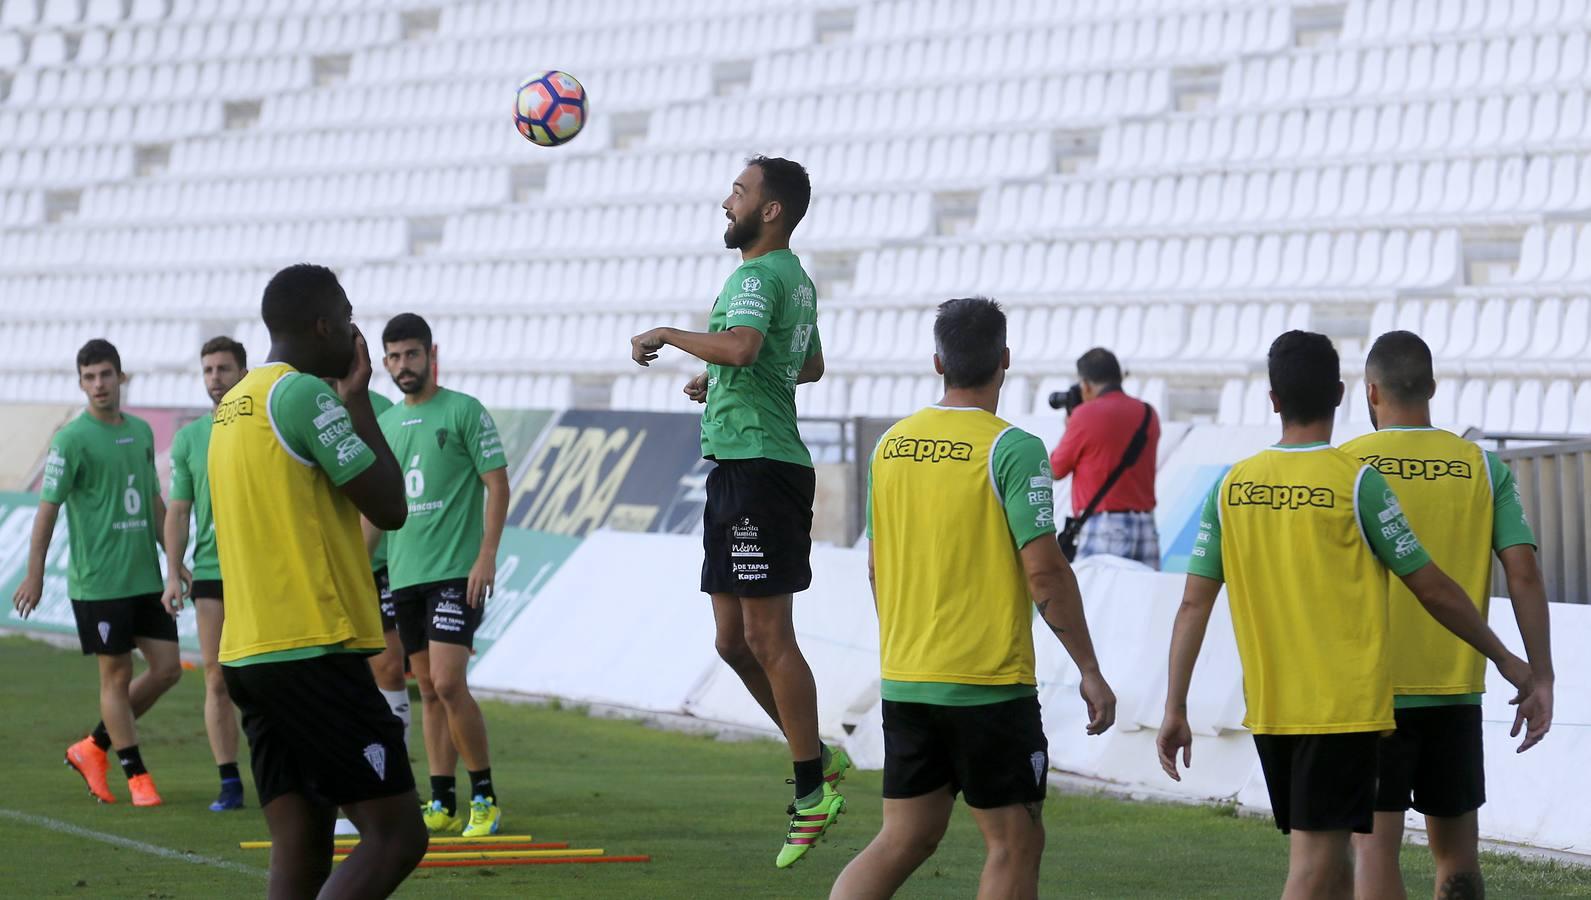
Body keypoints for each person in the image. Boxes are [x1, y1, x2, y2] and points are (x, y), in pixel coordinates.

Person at [1155, 331, 1545, 900]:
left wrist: (1175, 702)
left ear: (1274, 399)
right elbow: (1478, 580)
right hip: (1402, 696)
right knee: (1415, 859)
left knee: (1357, 856)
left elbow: (1195, 601)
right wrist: (1521, 663)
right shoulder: (1420, 474)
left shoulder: (1267, 478)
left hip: (1316, 699)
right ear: (1340, 394)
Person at [832, 298, 1117, 900]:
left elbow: (877, 569)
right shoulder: (1012, 448)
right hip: (987, 685)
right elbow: (1044, 574)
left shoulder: (892, 447)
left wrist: (907, 649)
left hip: (907, 679)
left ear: (938, 361)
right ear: (1004, 360)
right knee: (1015, 843)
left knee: (903, 838)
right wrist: (1089, 669)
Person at [630, 155, 849, 868]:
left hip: (760, 468)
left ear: (771, 209)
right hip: (742, 465)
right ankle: (811, 754)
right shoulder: (793, 279)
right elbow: (803, 364)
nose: (727, 201)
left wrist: (669, 335)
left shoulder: (757, 277)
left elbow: (749, 344)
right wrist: (719, 369)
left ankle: (812, 790)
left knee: (767, 635)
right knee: (731, 642)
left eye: (738, 191)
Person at [209, 264, 426, 897]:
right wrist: (358, 402)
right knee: (397, 836)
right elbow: (390, 507)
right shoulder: (304, 397)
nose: (358, 333)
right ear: (324, 325)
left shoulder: (231, 409)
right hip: (311, 648)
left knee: (302, 850)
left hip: (249, 653)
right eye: (350, 318)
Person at [1343, 331, 1554, 900]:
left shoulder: (1348, 468)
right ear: (1432, 387)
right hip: (1457, 689)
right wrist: (1541, 674)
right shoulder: (1482, 469)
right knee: (1458, 856)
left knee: (1373, 849)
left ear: (1370, 392)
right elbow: (1525, 573)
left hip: (1371, 691)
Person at [12, 339, 182, 809]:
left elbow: (152, 502)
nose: (98, 385)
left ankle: (93, 747)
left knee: (168, 670)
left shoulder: (142, 433)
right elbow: (47, 511)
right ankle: (137, 775)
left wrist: (174, 559)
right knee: (117, 674)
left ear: (120, 377)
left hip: (144, 578)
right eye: (89, 377)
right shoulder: (71, 439)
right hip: (99, 582)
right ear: (81, 382)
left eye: (106, 375)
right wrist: (34, 575)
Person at [375, 312, 509, 838]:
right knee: (427, 688)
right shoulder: (385, 425)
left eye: (412, 354)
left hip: (457, 572)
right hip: (405, 576)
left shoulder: (463, 411)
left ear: (432, 355)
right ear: (384, 362)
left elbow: (497, 485)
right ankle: (442, 800)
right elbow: (375, 514)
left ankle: (485, 797)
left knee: (450, 682)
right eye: (394, 357)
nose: (403, 365)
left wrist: (487, 554)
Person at [159, 335, 249, 812]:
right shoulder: (192, 438)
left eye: (224, 369)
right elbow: (178, 512)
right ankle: (229, 781)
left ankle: (288, 772)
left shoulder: (262, 427)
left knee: (268, 676)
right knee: (216, 677)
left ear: (243, 372)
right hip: (213, 571)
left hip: (259, 567)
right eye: (209, 370)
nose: (215, 379)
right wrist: (174, 573)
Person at [1048, 348, 1161, 567]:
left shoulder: (1085, 416)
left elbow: (1055, 470)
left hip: (1105, 528)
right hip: (1146, 525)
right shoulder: (1149, 413)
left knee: (1098, 598)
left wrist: (1071, 423)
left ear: (1086, 385)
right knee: (1143, 599)